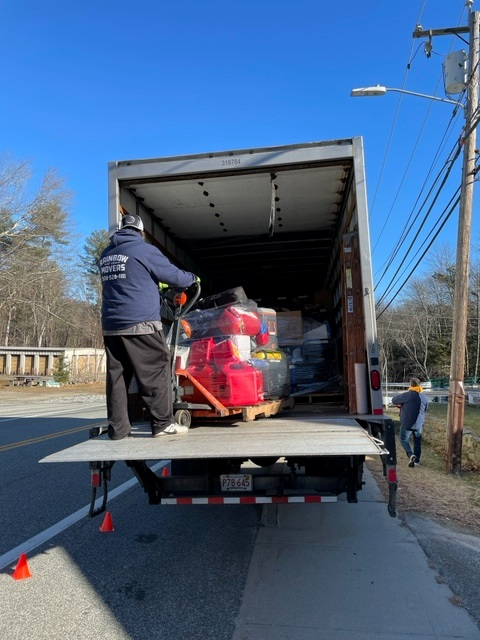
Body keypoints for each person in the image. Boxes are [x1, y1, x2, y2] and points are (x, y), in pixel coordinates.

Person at [99, 213, 198, 440]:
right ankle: (162, 423)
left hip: (112, 325)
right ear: (141, 232)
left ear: (122, 230)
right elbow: (176, 277)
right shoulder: (143, 250)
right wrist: (192, 278)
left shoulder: (106, 254)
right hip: (140, 323)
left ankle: (118, 430)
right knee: (156, 369)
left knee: (117, 378)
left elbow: (129, 279)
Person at [391, 377, 429, 468]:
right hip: (419, 423)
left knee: (403, 439)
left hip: (407, 423)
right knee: (417, 441)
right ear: (419, 385)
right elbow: (425, 409)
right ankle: (417, 461)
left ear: (410, 385)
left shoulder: (407, 395)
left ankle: (410, 454)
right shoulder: (425, 397)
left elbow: (394, 400)